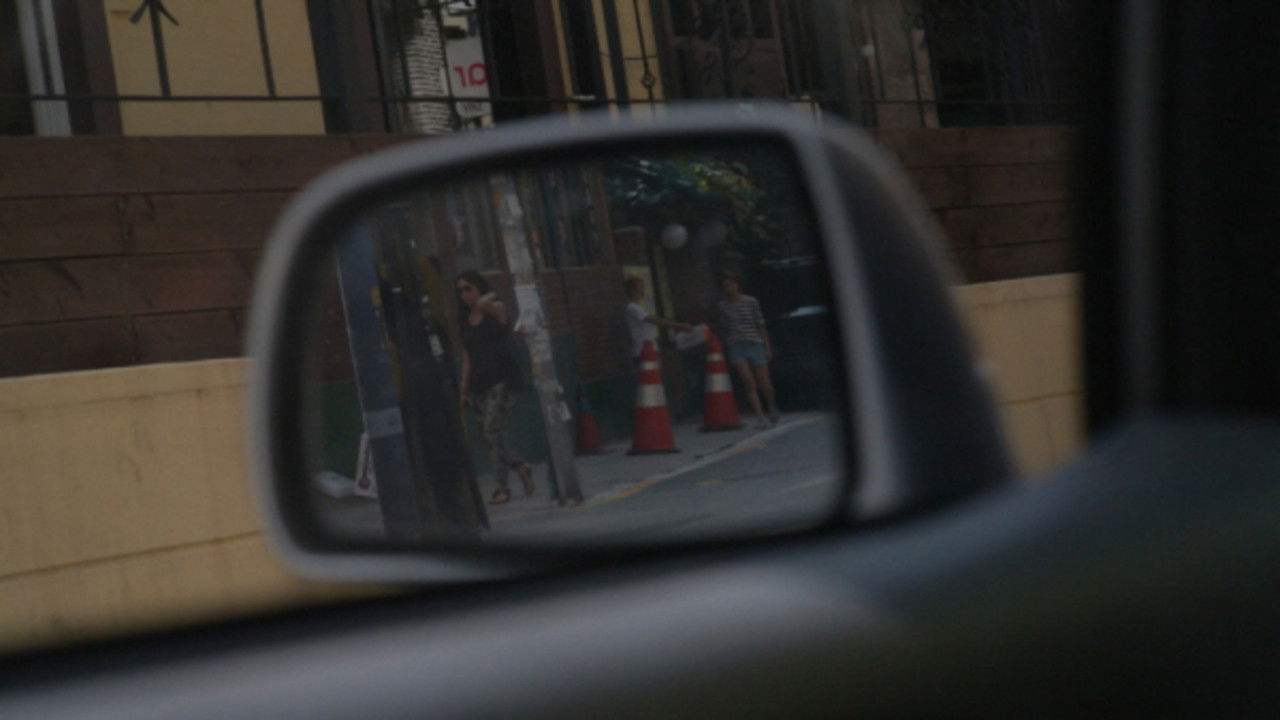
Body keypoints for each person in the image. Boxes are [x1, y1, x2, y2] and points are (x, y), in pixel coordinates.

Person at [455, 270, 533, 504]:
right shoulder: (464, 320)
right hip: (478, 385)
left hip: (501, 381)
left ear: (479, 287)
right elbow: (467, 359)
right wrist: (462, 391)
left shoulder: (496, 308)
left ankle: (502, 488)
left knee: (491, 431)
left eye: (468, 288)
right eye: (460, 291)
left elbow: (490, 307)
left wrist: (484, 299)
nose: (464, 294)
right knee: (492, 436)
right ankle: (520, 467)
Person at [717, 271, 780, 429]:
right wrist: (726, 346)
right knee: (748, 381)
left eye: (731, 284)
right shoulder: (723, 306)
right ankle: (760, 417)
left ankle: (771, 406)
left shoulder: (751, 302)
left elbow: (760, 324)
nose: (729, 288)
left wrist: (767, 346)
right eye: (726, 286)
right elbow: (724, 327)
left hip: (755, 343)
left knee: (764, 382)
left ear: (737, 284)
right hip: (736, 345)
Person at [624, 276, 693, 365]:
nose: (643, 290)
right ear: (632, 290)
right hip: (642, 352)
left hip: (648, 351)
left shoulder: (637, 307)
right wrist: (680, 325)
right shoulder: (632, 307)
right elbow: (656, 321)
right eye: (641, 287)